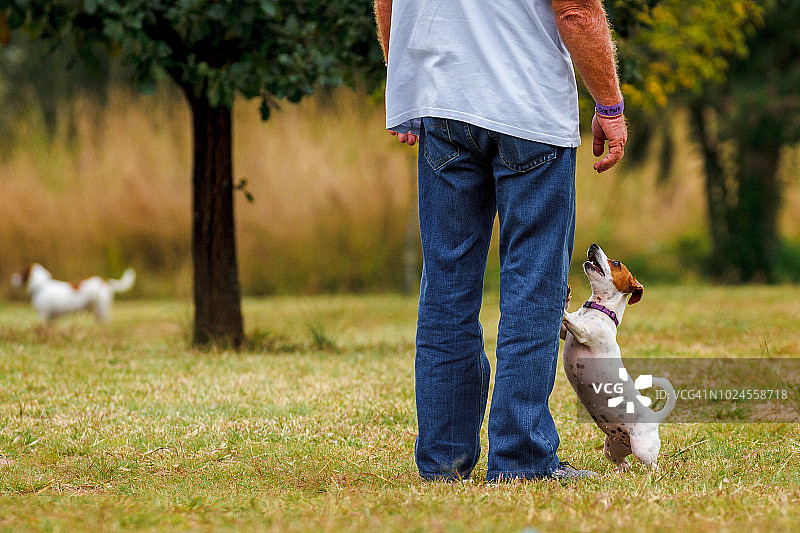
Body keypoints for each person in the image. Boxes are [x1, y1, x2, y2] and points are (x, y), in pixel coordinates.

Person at [374, 0, 627, 481]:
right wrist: (609, 106)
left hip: (443, 107)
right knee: (531, 288)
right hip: (527, 107)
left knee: (447, 288)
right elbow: (575, 10)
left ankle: (443, 462)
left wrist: (406, 82)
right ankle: (522, 460)